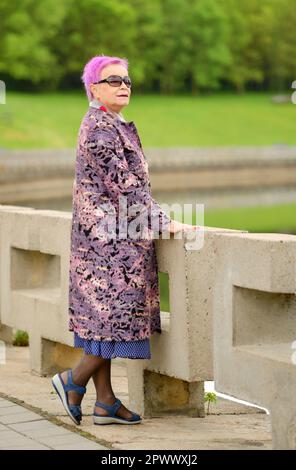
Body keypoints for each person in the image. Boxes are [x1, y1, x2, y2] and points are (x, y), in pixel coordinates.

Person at [52, 54, 198, 426]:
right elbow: (126, 188)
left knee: (101, 324)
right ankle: (73, 379)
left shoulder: (109, 123)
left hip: (107, 245)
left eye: (127, 81)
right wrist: (165, 222)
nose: (123, 86)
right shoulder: (101, 129)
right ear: (93, 88)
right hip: (109, 250)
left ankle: (105, 403)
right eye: (114, 80)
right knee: (114, 322)